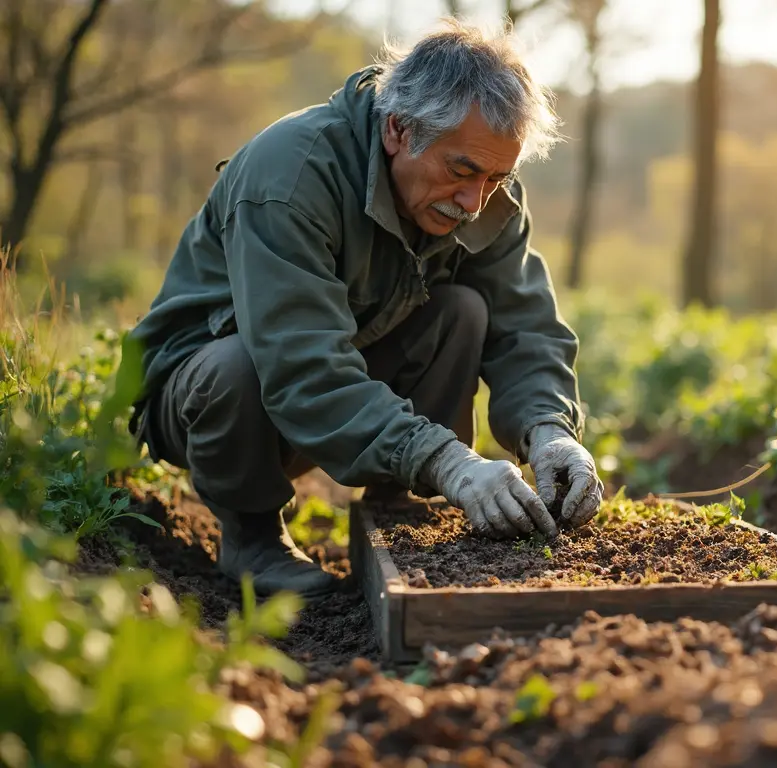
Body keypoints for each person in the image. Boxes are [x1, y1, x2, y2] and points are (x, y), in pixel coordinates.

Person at [123, 21, 604, 597]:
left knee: (464, 310)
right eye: (462, 171)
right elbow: (300, 362)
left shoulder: (482, 195)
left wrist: (549, 430)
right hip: (219, 407)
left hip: (338, 389)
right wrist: (448, 460)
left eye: (498, 177)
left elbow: (523, 324)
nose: (475, 201)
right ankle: (251, 535)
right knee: (237, 364)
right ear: (399, 130)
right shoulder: (291, 176)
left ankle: (397, 500)